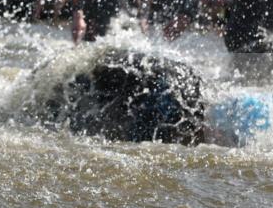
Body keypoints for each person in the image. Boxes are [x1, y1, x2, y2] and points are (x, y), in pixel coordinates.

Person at [37, 48, 269, 146]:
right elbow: (137, 140)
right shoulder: (176, 110)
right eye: (228, 142)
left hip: (101, 71)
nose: (223, 146)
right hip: (83, 83)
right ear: (220, 129)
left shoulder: (196, 94)